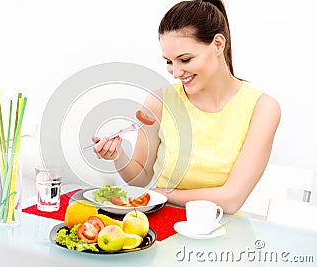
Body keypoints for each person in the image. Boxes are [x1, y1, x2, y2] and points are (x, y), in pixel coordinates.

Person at [92, 0, 280, 215]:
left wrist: (162, 195)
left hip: (221, 234)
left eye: (185, 59)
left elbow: (231, 200)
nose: (175, 72)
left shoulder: (262, 109)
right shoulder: (160, 100)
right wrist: (119, 155)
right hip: (160, 232)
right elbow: (141, 177)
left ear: (218, 44)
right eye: (169, 61)